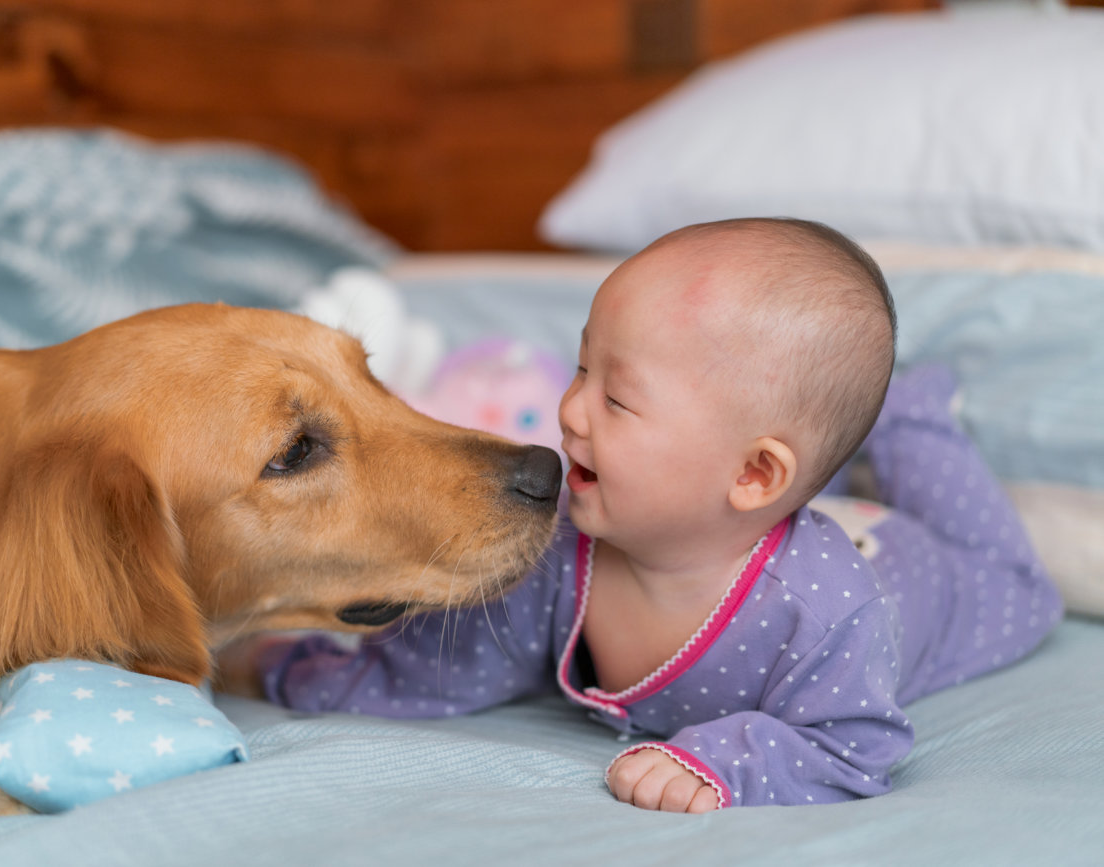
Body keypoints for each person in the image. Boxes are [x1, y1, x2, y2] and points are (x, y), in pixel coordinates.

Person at [251, 218, 1063, 811]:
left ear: (752, 471)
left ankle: (913, 416)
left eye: (615, 396)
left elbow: (852, 742)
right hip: (778, 501)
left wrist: (719, 760)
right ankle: (833, 453)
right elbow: (468, 658)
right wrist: (303, 670)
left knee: (1015, 578)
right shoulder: (567, 535)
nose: (568, 410)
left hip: (913, 570)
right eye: (578, 367)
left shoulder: (825, 609)